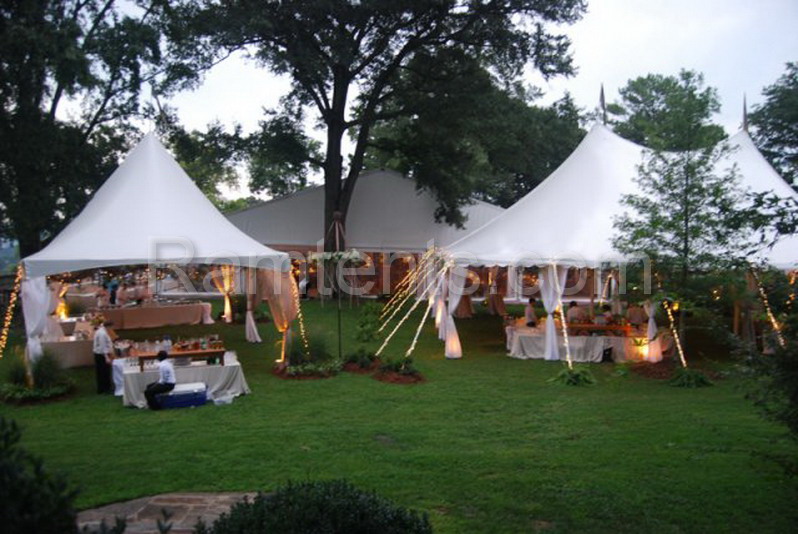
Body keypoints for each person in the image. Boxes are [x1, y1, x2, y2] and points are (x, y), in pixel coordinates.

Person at [92, 320, 114, 394]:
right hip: (101, 355)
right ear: (109, 326)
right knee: (104, 372)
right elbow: (103, 346)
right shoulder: (102, 333)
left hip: (100, 354)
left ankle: (103, 388)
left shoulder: (101, 331)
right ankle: (105, 389)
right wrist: (106, 357)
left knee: (102, 372)